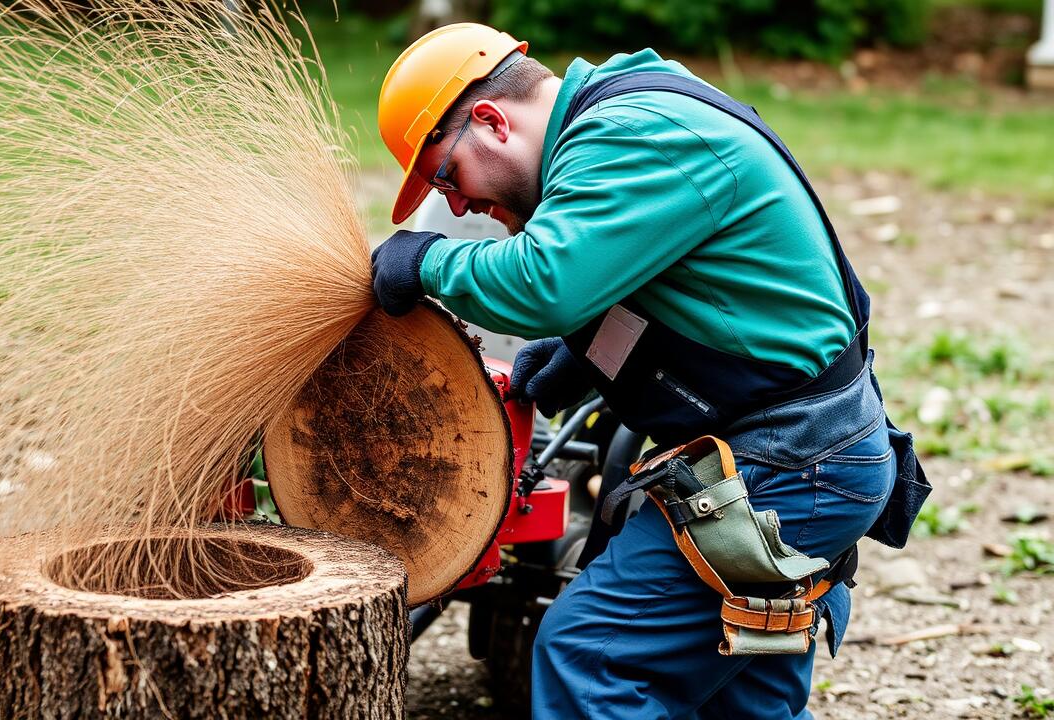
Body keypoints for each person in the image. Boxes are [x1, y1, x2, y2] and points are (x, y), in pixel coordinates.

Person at [369, 23, 930, 720]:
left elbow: (546, 282)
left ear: (490, 120)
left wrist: (423, 262)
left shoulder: (630, 135)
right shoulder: (623, 114)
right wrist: (584, 353)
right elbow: (693, 279)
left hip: (792, 465)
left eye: (446, 176)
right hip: (806, 455)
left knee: (591, 656)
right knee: (744, 700)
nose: (455, 207)